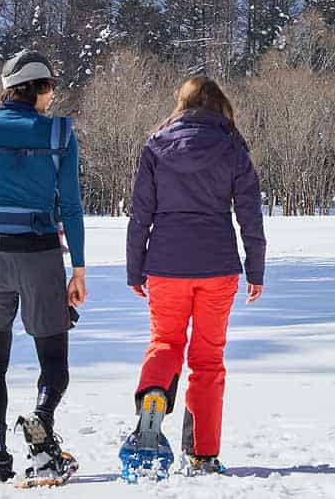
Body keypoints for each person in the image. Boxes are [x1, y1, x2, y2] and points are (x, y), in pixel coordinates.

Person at [0, 49, 87, 486]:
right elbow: (73, 208)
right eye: (50, 90)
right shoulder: (59, 134)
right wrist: (78, 270)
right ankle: (42, 427)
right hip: (41, 254)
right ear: (40, 88)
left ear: (8, 89)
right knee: (54, 358)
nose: (52, 99)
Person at [123, 76, 266, 478]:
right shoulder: (232, 146)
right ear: (218, 104)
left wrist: (135, 268)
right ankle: (203, 453)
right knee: (207, 359)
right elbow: (250, 215)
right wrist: (256, 268)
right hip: (217, 266)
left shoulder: (156, 145)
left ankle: (153, 396)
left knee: (165, 343)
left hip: (166, 265)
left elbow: (140, 216)